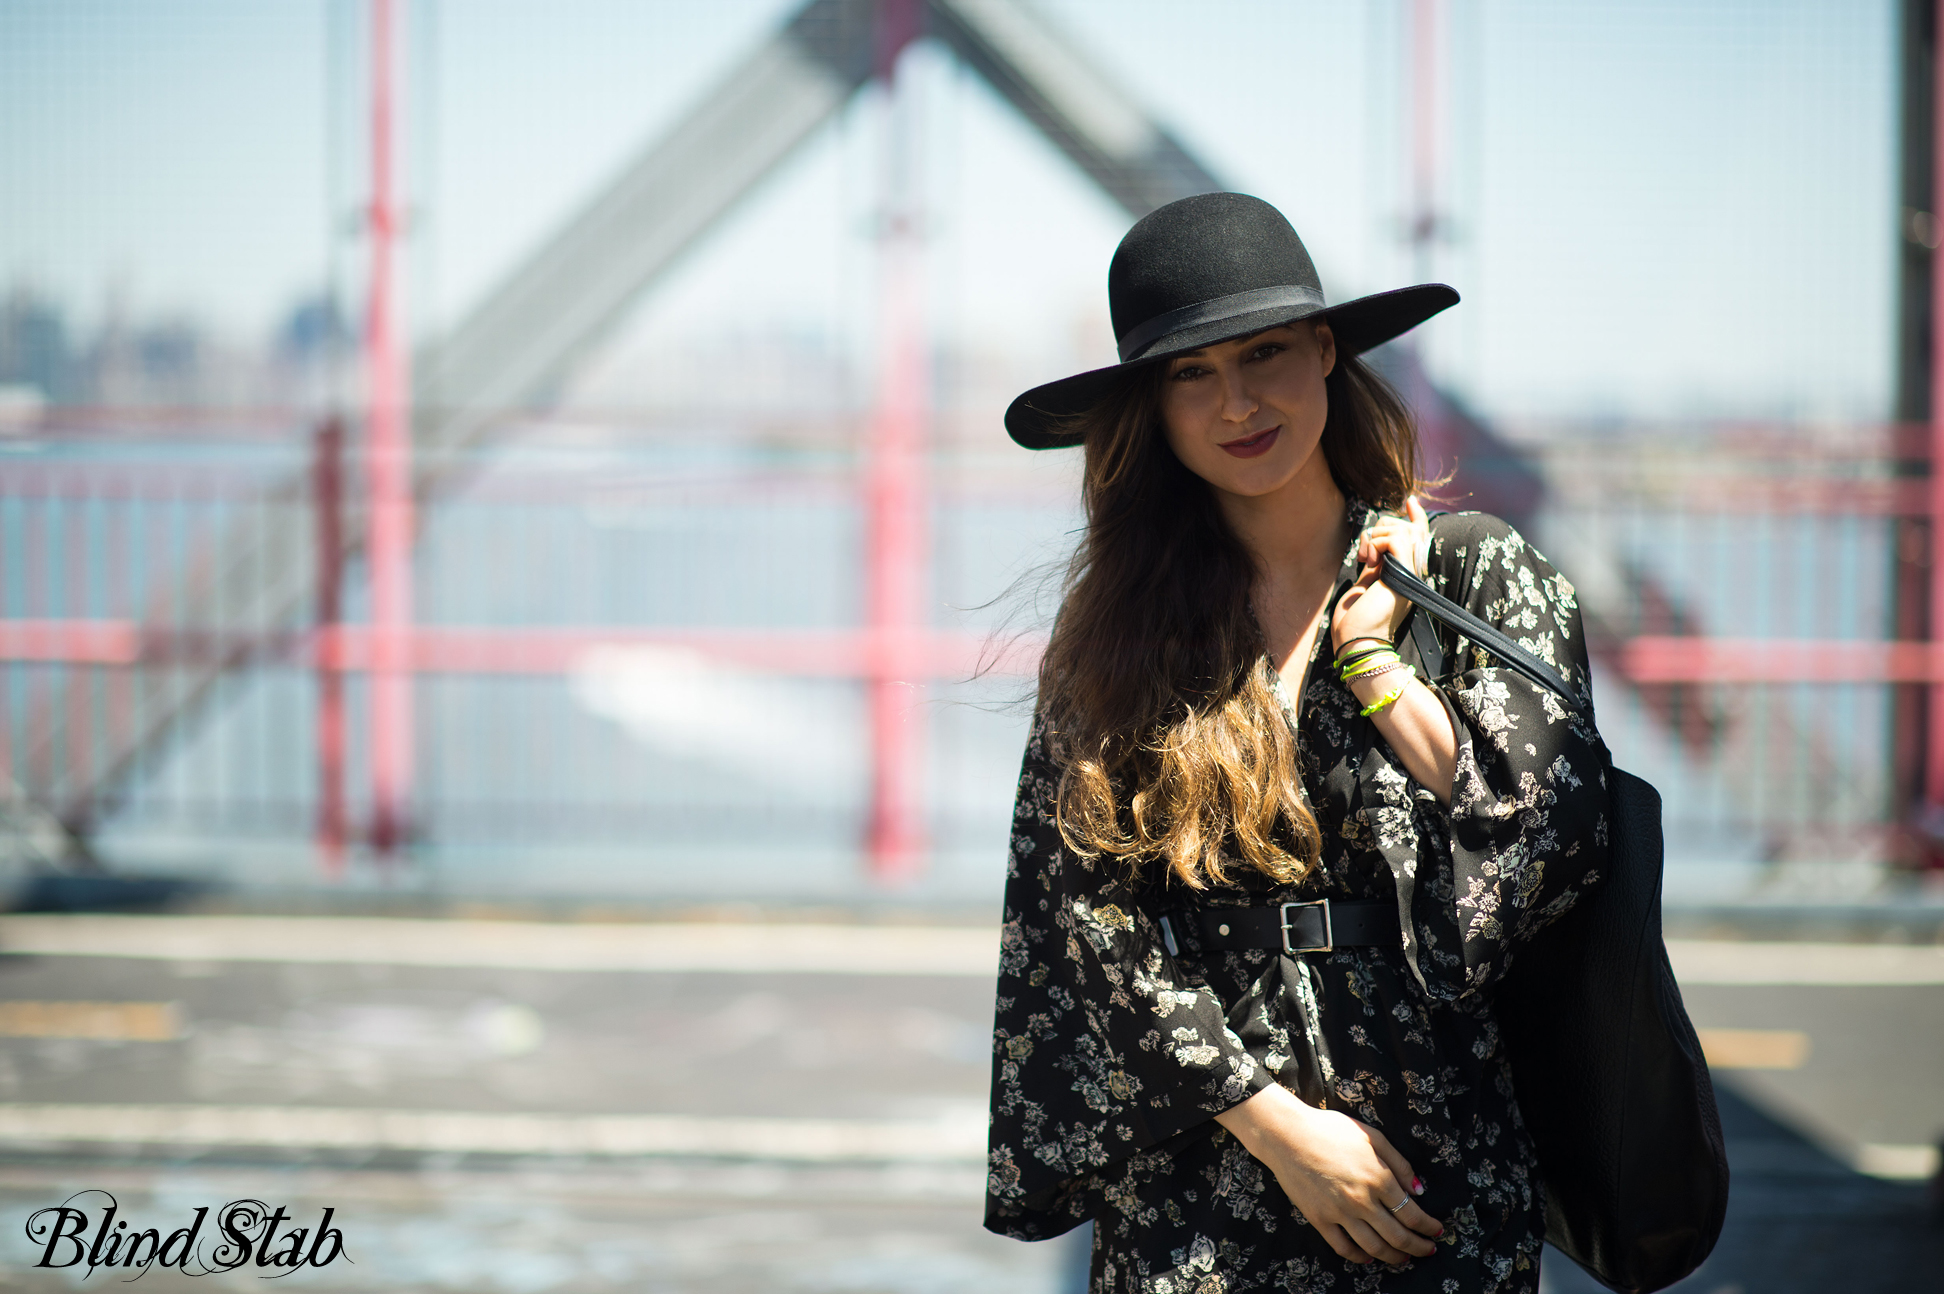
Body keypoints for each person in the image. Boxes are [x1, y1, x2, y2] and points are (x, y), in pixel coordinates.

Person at [983, 192, 1612, 1293]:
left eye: (1264, 353)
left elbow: (1545, 838)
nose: (1236, 401)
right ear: (1154, 405)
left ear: (1325, 351)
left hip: (1434, 1148)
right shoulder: (1116, 633)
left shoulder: (1472, 575)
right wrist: (1276, 1128)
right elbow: (1082, 916)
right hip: (1201, 1164)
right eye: (1191, 373)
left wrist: (1376, 667)